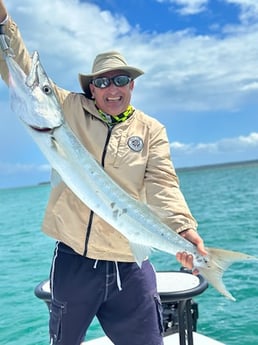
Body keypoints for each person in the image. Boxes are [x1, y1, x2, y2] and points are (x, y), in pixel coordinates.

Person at [0, 2, 207, 345]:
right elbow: (20, 69)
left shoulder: (151, 129)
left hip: (130, 261)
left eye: (121, 80)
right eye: (103, 82)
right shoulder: (66, 109)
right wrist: (5, 22)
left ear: (132, 86)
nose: (113, 89)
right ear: (91, 88)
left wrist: (184, 229)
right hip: (74, 260)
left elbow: (163, 184)